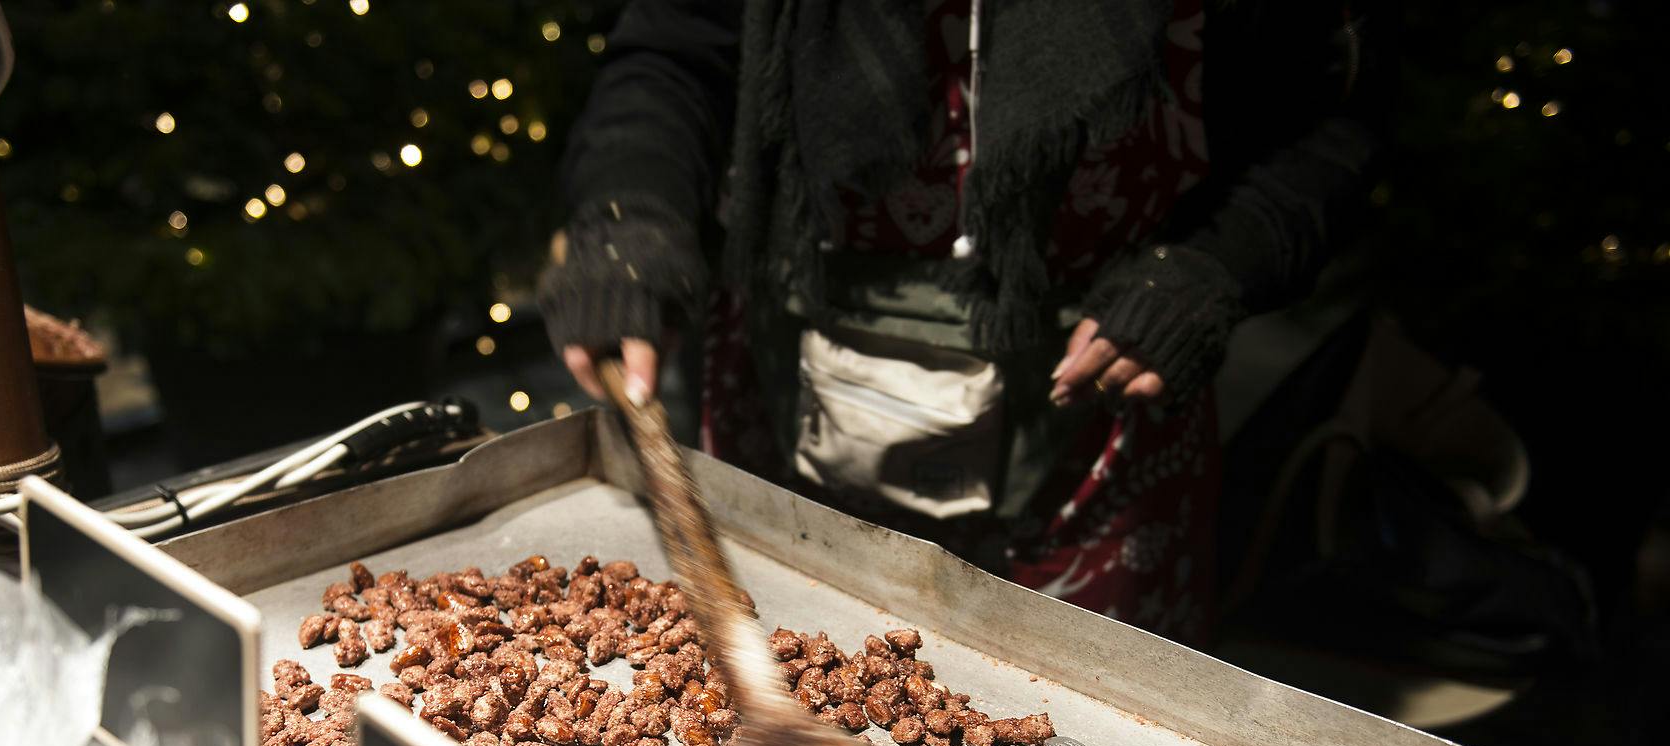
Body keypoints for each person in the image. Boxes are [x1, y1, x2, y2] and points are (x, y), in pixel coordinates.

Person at [540, 0, 1389, 644]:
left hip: (1097, 431)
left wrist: (1216, 264)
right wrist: (631, 210)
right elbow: (673, 52)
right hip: (781, 384)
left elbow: (1330, 128)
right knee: (770, 639)